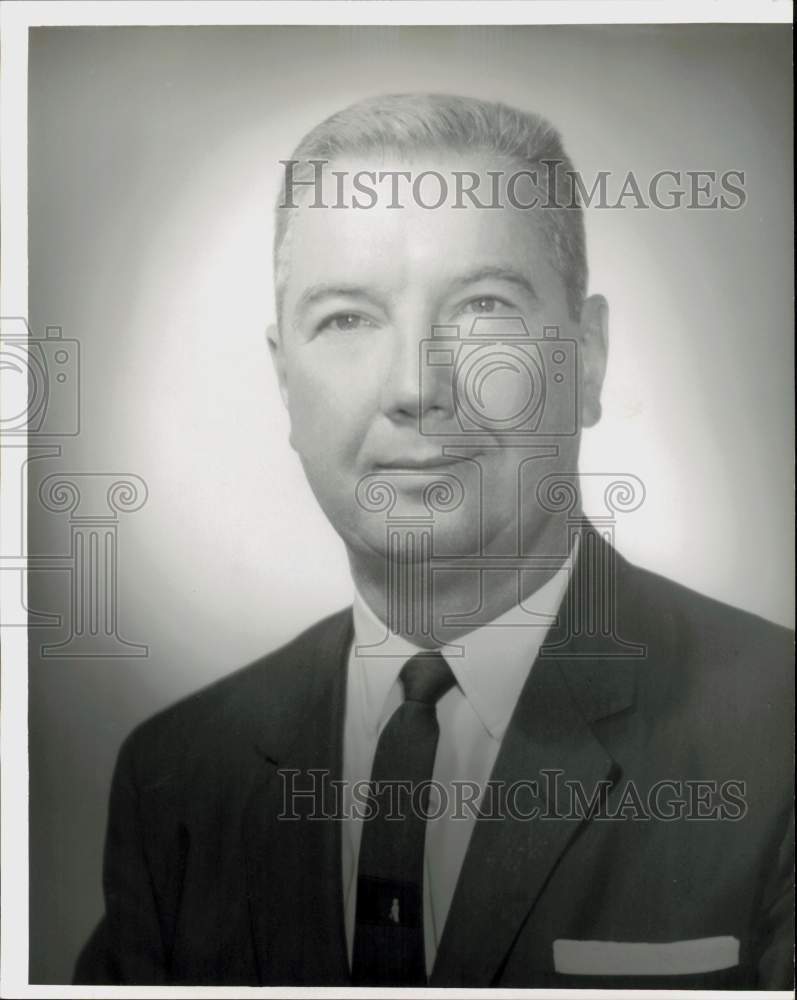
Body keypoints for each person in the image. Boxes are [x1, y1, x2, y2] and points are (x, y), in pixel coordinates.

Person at [74, 93, 793, 989]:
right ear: (283, 381)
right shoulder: (176, 776)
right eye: (345, 318)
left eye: (483, 306)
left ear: (589, 361)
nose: (416, 384)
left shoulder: (778, 735)